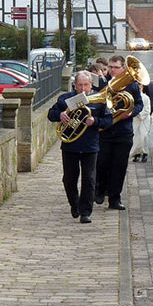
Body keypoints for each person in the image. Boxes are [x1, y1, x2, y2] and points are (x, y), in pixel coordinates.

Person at [47, 71, 112, 224]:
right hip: (70, 145)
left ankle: (85, 212)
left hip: (90, 145)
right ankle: (75, 204)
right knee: (69, 179)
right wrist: (60, 115)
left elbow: (108, 120)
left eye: (86, 85)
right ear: (74, 85)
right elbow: (51, 114)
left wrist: (95, 121)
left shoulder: (98, 100)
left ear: (91, 85)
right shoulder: (65, 100)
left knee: (89, 179)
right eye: (80, 85)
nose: (83, 89)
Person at [94, 55, 143, 210]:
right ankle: (100, 190)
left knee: (119, 167)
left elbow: (139, 105)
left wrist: (131, 112)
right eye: (110, 66)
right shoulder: (101, 83)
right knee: (102, 163)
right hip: (105, 131)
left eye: (116, 67)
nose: (112, 70)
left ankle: (115, 199)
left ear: (124, 68)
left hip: (123, 131)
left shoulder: (132, 85)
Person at [130, 86, 152, 163]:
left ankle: (145, 153)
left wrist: (140, 114)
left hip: (144, 120)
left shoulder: (146, 98)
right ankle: (137, 153)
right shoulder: (132, 97)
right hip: (136, 119)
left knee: (144, 136)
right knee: (136, 136)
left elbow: (147, 110)